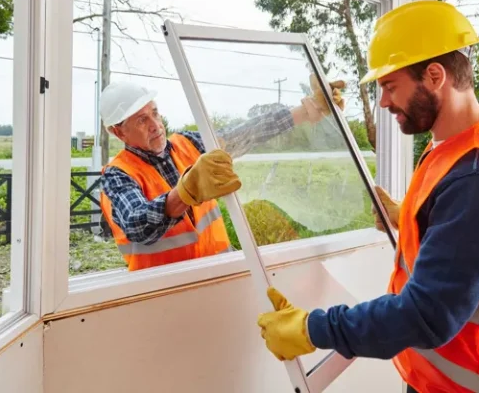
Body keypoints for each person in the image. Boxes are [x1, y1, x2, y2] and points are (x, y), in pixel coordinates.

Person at [256, 0, 479, 393]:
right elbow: (467, 237)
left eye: (390, 86)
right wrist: (409, 216)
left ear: (435, 76)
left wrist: (313, 328)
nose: (384, 102)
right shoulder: (457, 144)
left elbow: (426, 315)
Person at [98, 75, 346, 272]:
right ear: (118, 132)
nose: (155, 125)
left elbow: (246, 133)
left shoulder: (188, 144)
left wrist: (305, 112)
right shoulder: (117, 175)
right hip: (166, 294)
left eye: (154, 113)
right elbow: (138, 224)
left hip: (220, 275)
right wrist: (185, 192)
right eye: (141, 120)